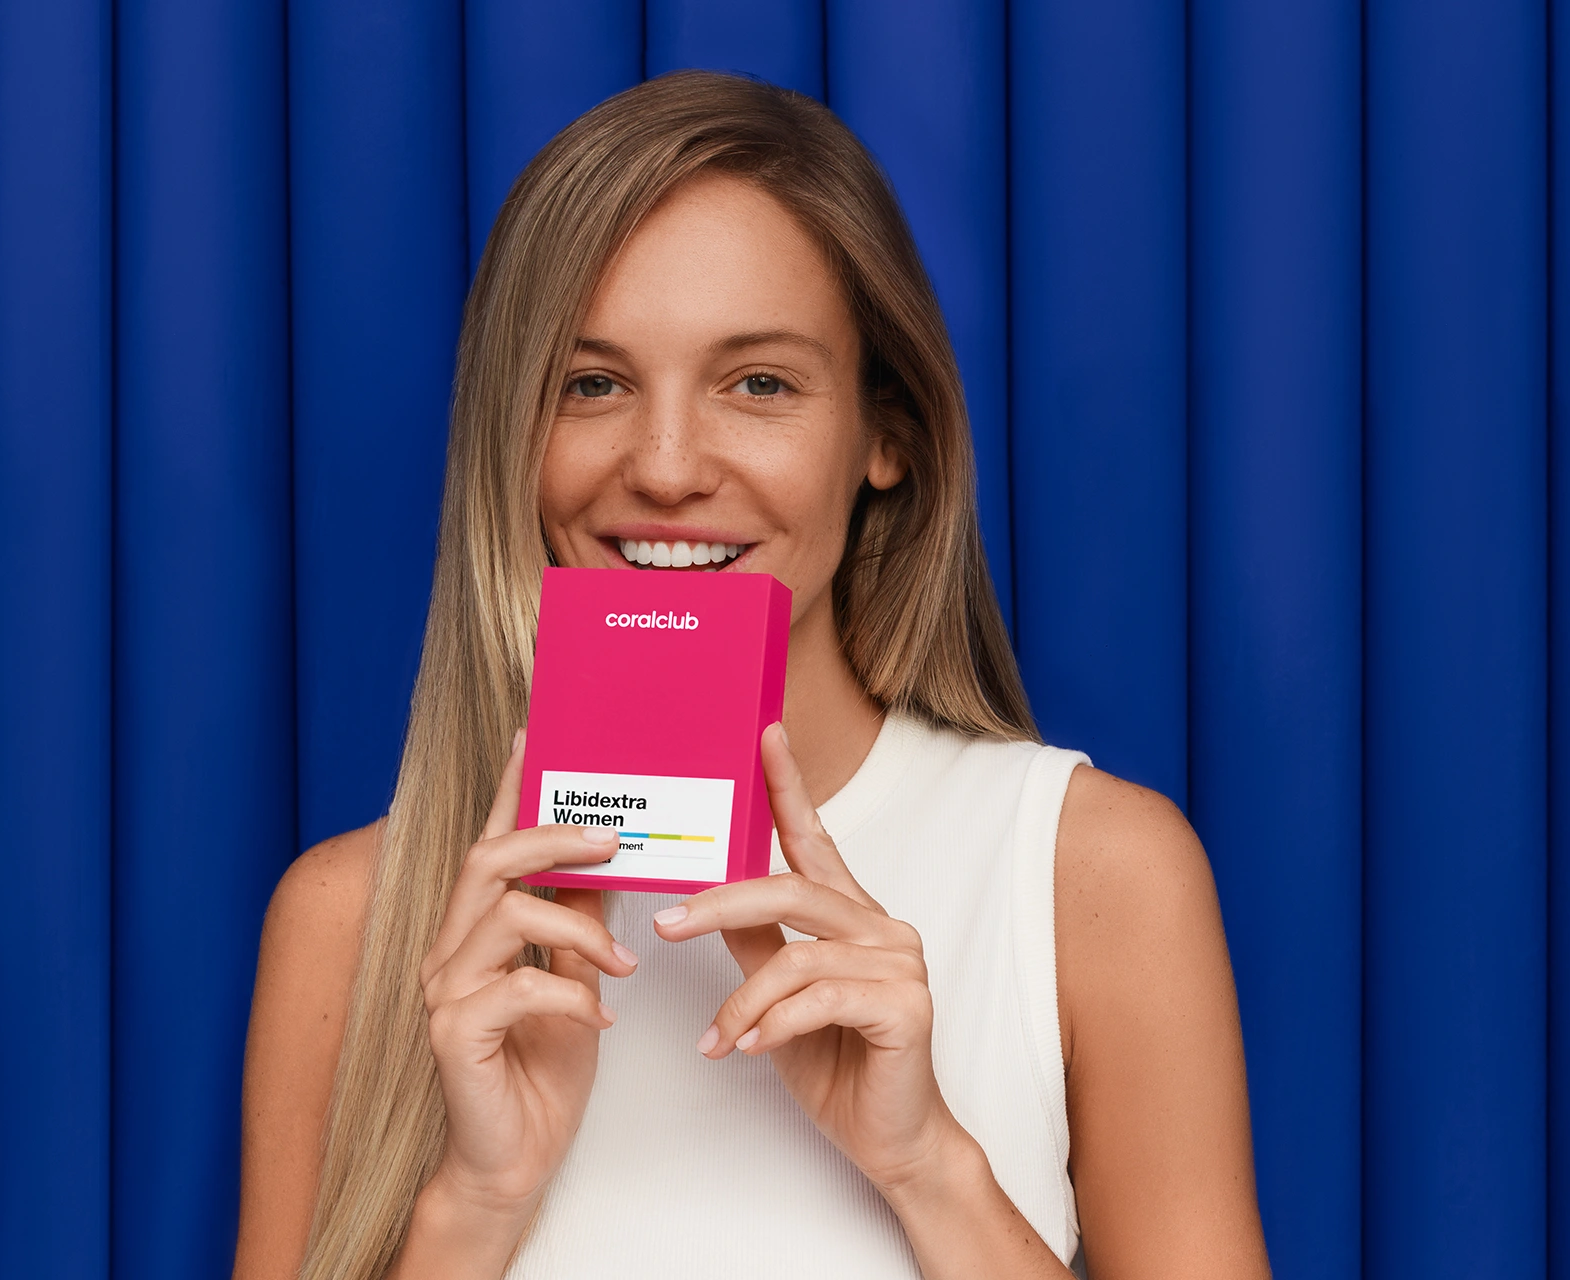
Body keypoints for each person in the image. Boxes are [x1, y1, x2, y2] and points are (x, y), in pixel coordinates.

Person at [235, 72, 1269, 1280]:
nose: (667, 468)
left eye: (759, 383)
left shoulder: (1094, 875)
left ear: (887, 435)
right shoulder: (349, 919)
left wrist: (930, 1166)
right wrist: (475, 1202)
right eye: (592, 383)